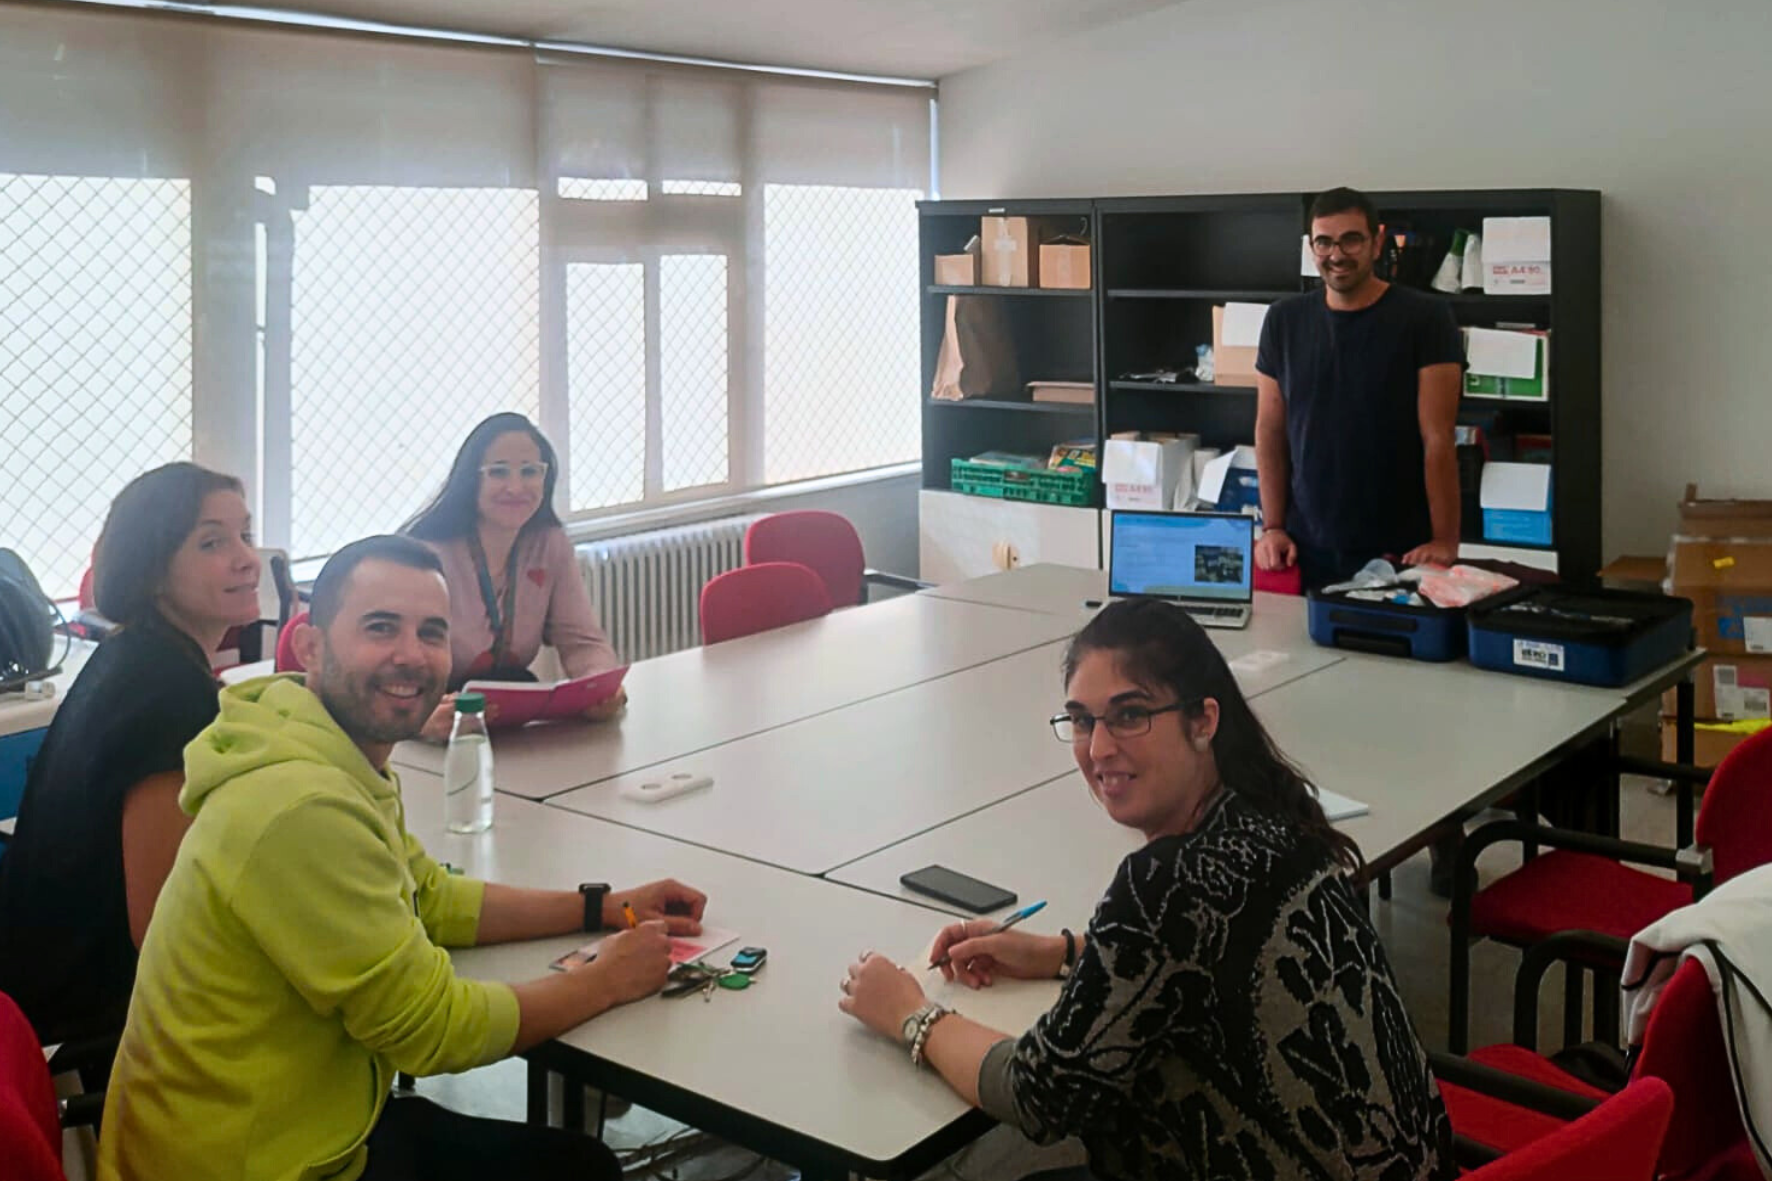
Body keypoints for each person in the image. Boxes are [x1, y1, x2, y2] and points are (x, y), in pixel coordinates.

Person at [98, 535, 708, 1181]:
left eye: (432, 632)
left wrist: (599, 906)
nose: (411, 655)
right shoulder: (299, 803)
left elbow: (430, 896)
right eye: (381, 627)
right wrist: (604, 979)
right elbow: (434, 1030)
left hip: (295, 1121)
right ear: (310, 645)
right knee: (574, 1169)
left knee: (567, 1160)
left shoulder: (320, 744)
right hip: (253, 1162)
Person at [837, 599, 1453, 1181]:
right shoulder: (1275, 815)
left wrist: (909, 1014)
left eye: (1130, 715)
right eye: (1081, 721)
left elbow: (1040, 1092)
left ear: (1202, 719)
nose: (1099, 749)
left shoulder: (1164, 885)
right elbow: (1206, 958)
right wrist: (1064, 953)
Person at [0, 463, 261, 1047]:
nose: (248, 557)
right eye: (213, 542)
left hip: (35, 953)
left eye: (246, 533)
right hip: (86, 993)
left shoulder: (137, 656)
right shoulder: (169, 696)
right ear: (153, 571)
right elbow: (160, 925)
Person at [1253, 185, 1466, 591]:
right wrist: (1273, 526)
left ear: (1376, 242)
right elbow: (1269, 431)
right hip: (1306, 543)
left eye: (1351, 239)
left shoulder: (1425, 317)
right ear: (1311, 247)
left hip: (1402, 548)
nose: (1337, 254)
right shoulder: (1283, 321)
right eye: (1324, 242)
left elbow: (1438, 438)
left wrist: (1444, 539)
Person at [403, 412, 622, 740]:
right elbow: (392, 662)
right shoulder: (425, 554)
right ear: (471, 480)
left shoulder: (550, 542)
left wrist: (601, 687)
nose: (516, 486)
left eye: (530, 471)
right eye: (499, 472)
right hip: (428, 727)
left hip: (507, 728)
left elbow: (582, 641)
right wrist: (415, 720)